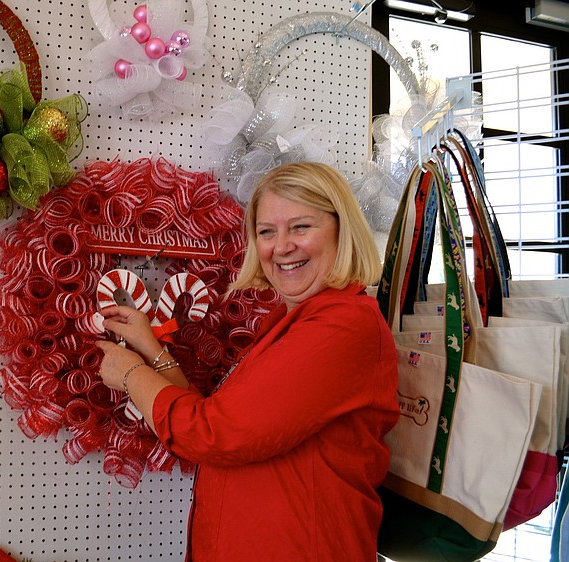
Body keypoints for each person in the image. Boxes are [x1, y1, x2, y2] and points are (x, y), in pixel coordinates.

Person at [95, 161, 400, 561]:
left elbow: (213, 433)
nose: (282, 246)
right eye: (266, 232)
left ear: (341, 230)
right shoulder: (290, 321)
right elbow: (223, 417)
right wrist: (151, 349)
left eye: (301, 227)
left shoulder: (343, 325)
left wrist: (130, 374)